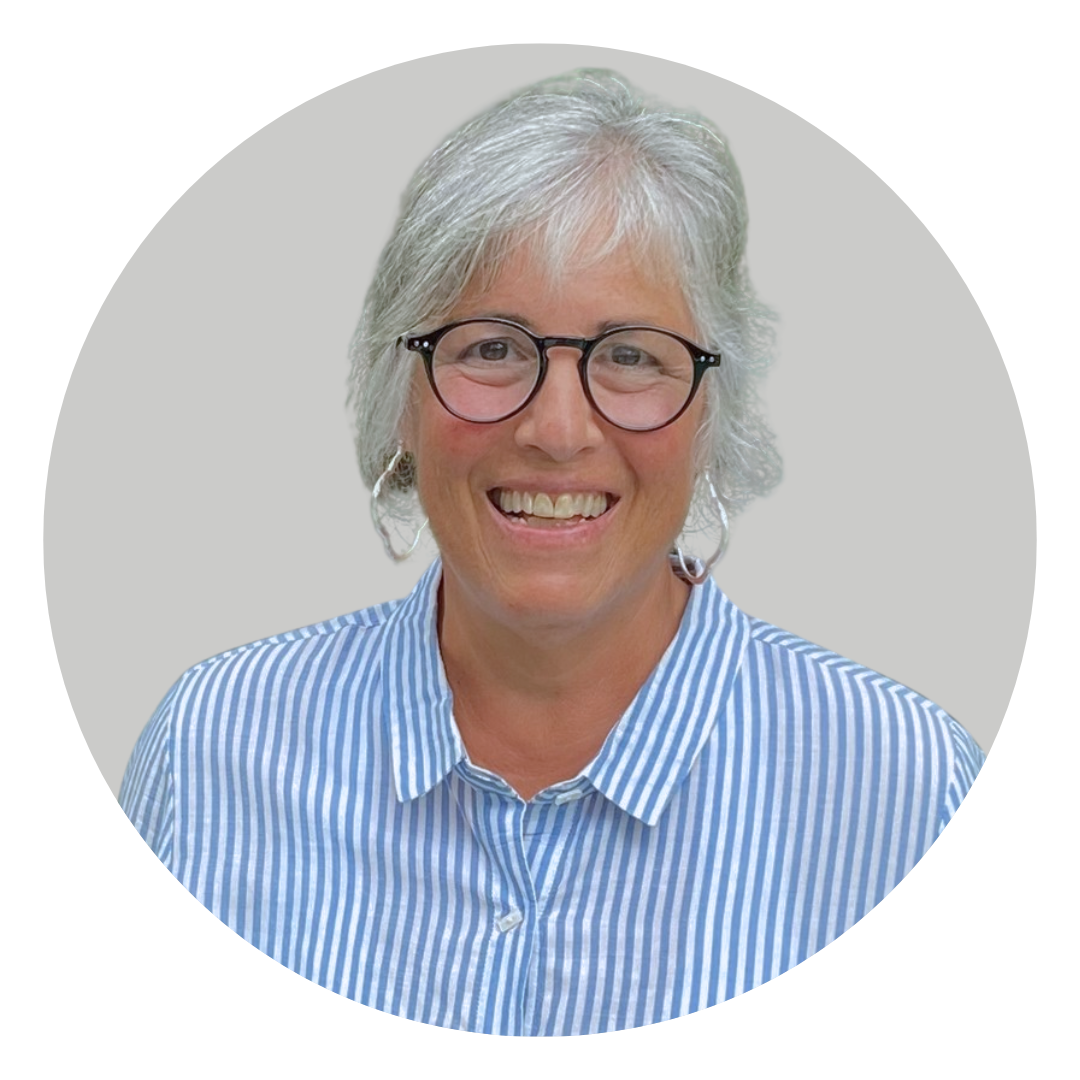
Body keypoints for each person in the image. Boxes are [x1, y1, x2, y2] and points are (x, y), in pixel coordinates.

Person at [120, 70, 984, 1035]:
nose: (559, 428)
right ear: (399, 392)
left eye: (630, 355)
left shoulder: (906, 791)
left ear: (714, 409)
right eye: (490, 347)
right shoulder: (214, 756)